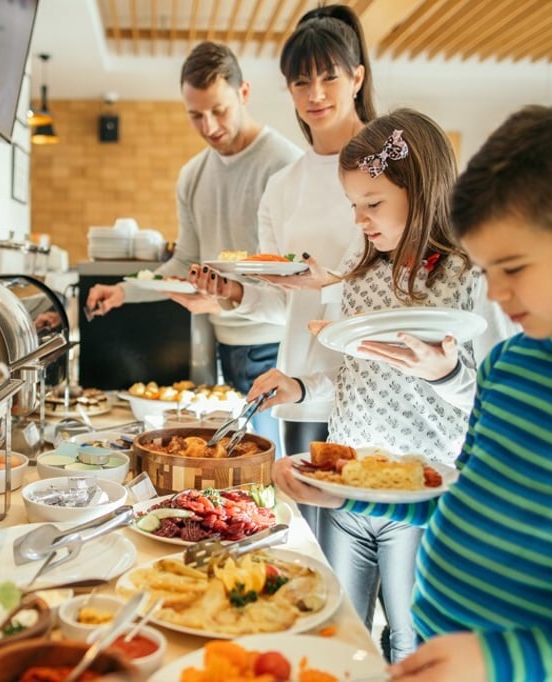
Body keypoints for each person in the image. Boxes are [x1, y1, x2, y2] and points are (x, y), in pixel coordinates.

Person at [273, 104, 552, 681]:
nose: (492, 290)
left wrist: (495, 660)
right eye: (488, 267)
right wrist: (347, 497)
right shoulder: (512, 363)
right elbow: (454, 491)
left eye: (512, 267)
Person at [247, 108, 515, 662]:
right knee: (342, 634)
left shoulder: (471, 278)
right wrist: (300, 388)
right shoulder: (360, 270)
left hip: (422, 492)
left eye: (373, 205)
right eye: (354, 206)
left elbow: (500, 398)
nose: (361, 220)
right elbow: (352, 378)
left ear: (422, 191)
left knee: (411, 645)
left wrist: (447, 374)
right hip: (348, 489)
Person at [187, 4, 375, 533]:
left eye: (328, 78)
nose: (315, 95)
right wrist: (232, 293)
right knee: (311, 553)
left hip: (373, 389)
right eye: (300, 82)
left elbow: (403, 286)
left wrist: (333, 284)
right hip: (301, 388)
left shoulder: (387, 163)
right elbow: (281, 304)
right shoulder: (284, 184)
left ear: (356, 77)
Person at [85, 41, 301, 448]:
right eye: (195, 115)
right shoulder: (192, 176)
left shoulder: (286, 165)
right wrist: (124, 291)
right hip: (226, 344)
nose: (209, 126)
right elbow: (185, 260)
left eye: (219, 110)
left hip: (277, 347)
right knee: (236, 462)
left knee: (269, 467)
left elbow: (294, 274)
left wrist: (222, 300)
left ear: (244, 93)